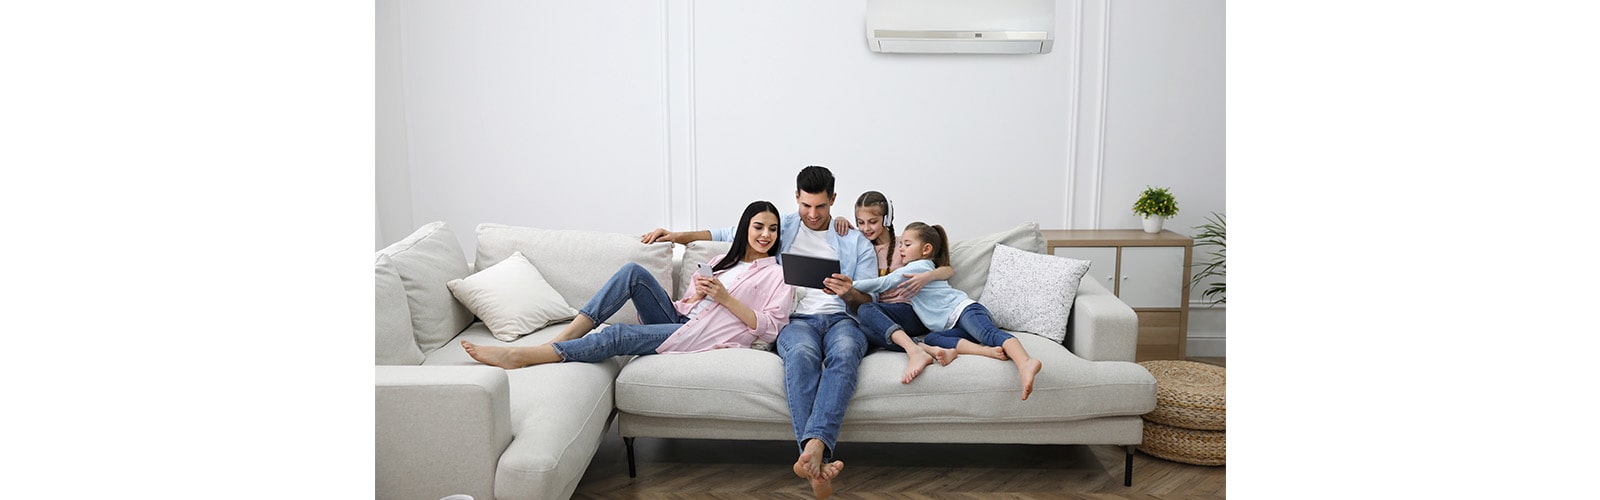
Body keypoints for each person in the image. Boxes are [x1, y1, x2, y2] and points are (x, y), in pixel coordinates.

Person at [641, 166, 876, 500]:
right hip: (795, 320)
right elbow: (731, 234)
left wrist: (849, 292)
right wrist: (678, 237)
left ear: (833, 201)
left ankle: (814, 450)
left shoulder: (855, 242)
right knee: (801, 356)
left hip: (842, 319)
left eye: (820, 207)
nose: (812, 214)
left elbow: (869, 299)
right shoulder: (780, 227)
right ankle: (815, 459)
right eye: (805, 205)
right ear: (796, 197)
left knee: (845, 354)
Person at [462, 201, 793, 369]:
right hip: (678, 317)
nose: (766, 235)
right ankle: (569, 334)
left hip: (700, 333)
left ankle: (527, 356)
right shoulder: (724, 262)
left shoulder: (779, 274)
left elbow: (770, 328)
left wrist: (725, 298)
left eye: (773, 229)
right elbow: (693, 300)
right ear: (744, 229)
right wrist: (700, 288)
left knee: (616, 335)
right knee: (633, 271)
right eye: (759, 226)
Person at [851, 222, 1044, 400]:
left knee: (987, 333)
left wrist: (851, 284)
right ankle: (987, 352)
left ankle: (1025, 362)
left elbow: (883, 283)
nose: (901, 248)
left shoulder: (918, 266)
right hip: (949, 325)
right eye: (901, 244)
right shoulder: (920, 267)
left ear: (926, 249)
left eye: (907, 244)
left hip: (964, 310)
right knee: (934, 339)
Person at [830, 191, 958, 381]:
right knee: (861, 329)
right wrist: (839, 220)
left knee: (866, 309)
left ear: (887, 218)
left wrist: (927, 277)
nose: (866, 228)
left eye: (872, 222)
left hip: (911, 312)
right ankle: (923, 349)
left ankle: (914, 351)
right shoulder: (863, 249)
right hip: (886, 316)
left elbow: (947, 270)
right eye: (861, 222)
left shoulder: (904, 245)